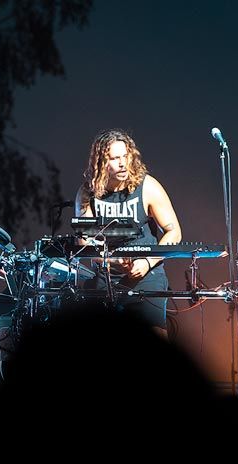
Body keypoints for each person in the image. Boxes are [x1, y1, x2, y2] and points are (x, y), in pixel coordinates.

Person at [75, 128, 182, 334]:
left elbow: (174, 231)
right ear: (101, 163)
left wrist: (148, 261)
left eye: (125, 156)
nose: (123, 163)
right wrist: (112, 262)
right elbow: (84, 244)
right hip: (105, 277)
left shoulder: (148, 186)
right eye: (115, 158)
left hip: (147, 275)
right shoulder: (87, 193)